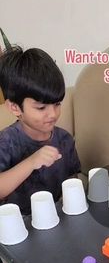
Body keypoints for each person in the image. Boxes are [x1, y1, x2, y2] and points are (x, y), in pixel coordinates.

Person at [0, 46, 81, 216]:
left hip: (56, 217)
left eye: (57, 104)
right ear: (15, 107)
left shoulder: (64, 139)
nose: (52, 114)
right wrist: (31, 162)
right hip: (20, 223)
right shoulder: (7, 141)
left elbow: (73, 178)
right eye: (41, 107)